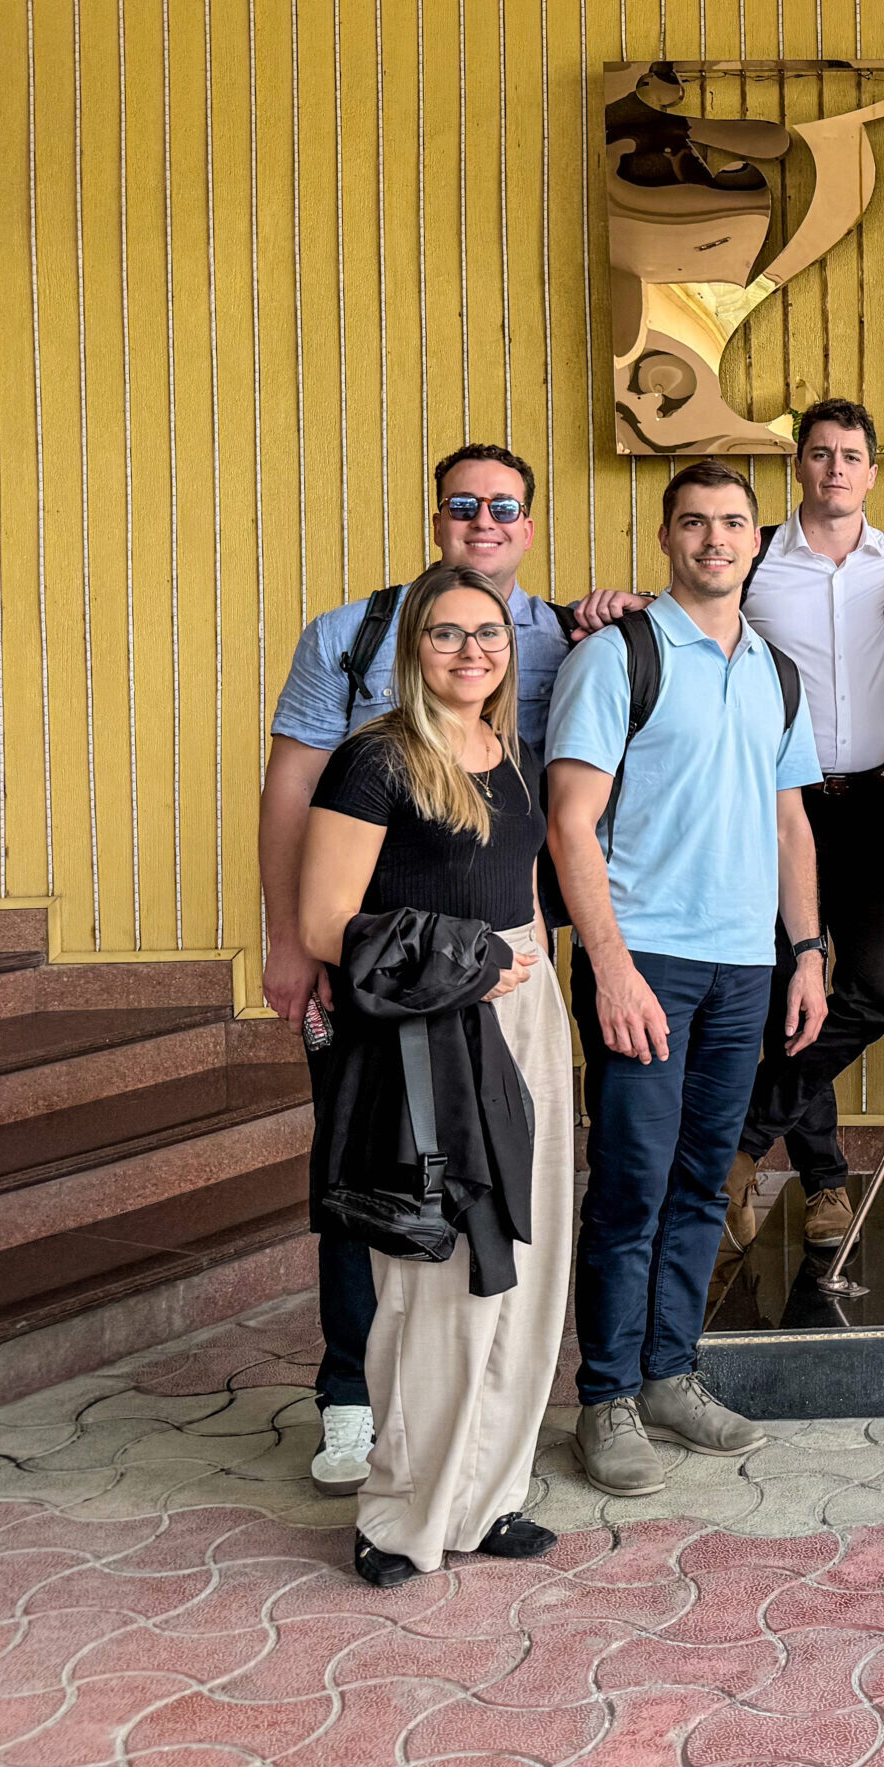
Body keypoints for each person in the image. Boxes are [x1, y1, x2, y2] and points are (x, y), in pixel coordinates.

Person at [259, 443, 638, 1499]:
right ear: (437, 520)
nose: (484, 518)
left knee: (490, 1224)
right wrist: (297, 944)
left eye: (505, 505)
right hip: (388, 976)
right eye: (463, 504)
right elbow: (293, 798)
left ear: (528, 522)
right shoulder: (351, 643)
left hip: (505, 980)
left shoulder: (557, 642)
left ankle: (477, 1462)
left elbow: (547, 820)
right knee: (375, 1192)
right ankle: (353, 1403)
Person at [545, 460, 828, 1500]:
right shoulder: (620, 657)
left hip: (745, 964)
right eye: (695, 522)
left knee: (706, 1179)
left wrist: (806, 952)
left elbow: (790, 821)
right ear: (666, 538)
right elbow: (569, 820)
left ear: (758, 541)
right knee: (631, 1184)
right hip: (647, 958)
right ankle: (606, 1396)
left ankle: (671, 1374)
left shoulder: (774, 670)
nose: (716, 539)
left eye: (733, 523)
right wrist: (610, 968)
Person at [294, 564, 571, 1583]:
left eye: (488, 633)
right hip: (428, 1029)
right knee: (436, 1278)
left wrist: (535, 995)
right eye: (447, 635)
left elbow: (525, 892)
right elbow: (327, 923)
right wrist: (477, 962)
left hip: (525, 1016)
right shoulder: (376, 763)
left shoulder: (510, 753)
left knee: (526, 1269)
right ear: (415, 648)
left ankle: (484, 1498)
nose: (472, 651)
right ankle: (397, 1516)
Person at [727, 399, 884, 1247]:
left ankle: (735, 1147)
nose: (835, 468)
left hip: (871, 804)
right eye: (819, 454)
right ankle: (823, 1182)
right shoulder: (751, 563)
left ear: (871, 470)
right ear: (798, 466)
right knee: (794, 998)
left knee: (877, 989)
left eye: (851, 455)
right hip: (771, 808)